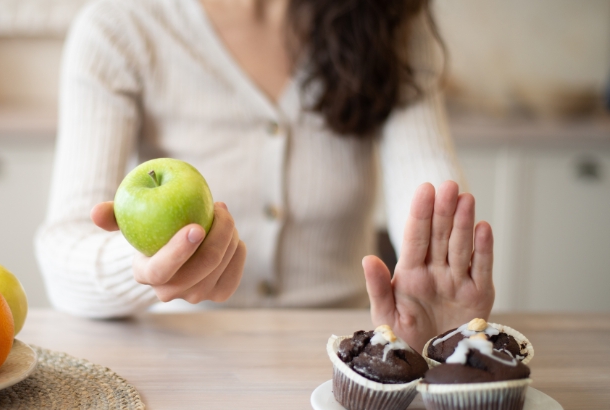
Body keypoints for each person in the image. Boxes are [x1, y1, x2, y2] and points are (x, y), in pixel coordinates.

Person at [35, 0, 494, 351]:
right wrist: (145, 267)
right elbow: (63, 258)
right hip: (188, 360)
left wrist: (441, 292)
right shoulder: (120, 27)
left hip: (347, 359)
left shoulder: (390, 19)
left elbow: (433, 204)